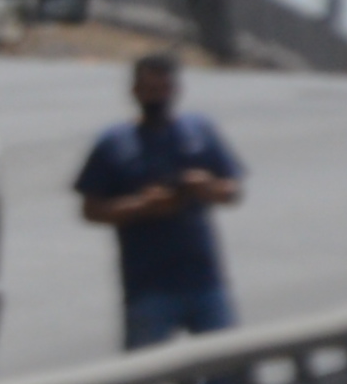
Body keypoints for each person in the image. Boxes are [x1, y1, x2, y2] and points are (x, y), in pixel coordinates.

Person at [74, 52, 249, 348]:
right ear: (135, 92)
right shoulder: (114, 143)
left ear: (176, 90)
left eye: (163, 89)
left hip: (204, 281)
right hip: (148, 287)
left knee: (227, 374)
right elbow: (91, 210)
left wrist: (207, 188)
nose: (157, 97)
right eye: (149, 90)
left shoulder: (199, 132)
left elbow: (233, 191)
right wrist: (143, 206)